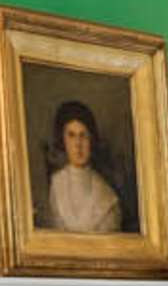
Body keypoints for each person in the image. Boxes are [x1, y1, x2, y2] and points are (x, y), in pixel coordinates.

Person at [43, 99, 127, 234]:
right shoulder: (56, 183)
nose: (78, 144)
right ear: (62, 140)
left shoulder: (108, 199)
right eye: (71, 135)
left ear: (91, 140)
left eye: (83, 136)